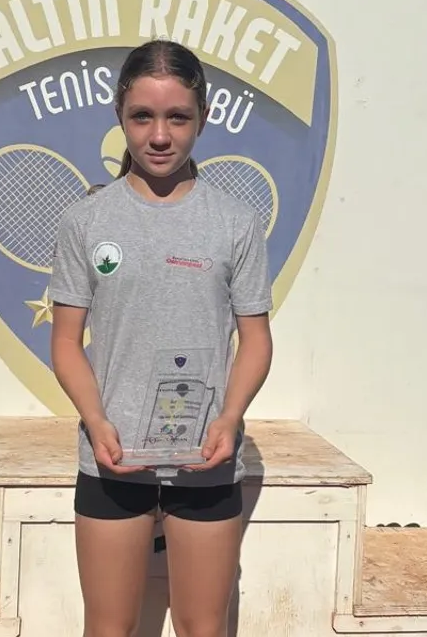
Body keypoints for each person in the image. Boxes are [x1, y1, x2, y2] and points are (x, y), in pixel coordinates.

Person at [48, 38, 274, 637]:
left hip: (205, 462)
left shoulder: (236, 223)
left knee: (204, 628)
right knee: (108, 629)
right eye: (141, 116)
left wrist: (229, 418)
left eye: (178, 117)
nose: (158, 135)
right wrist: (97, 421)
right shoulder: (85, 220)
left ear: (204, 116)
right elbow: (66, 343)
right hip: (113, 461)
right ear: (119, 115)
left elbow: (256, 341)